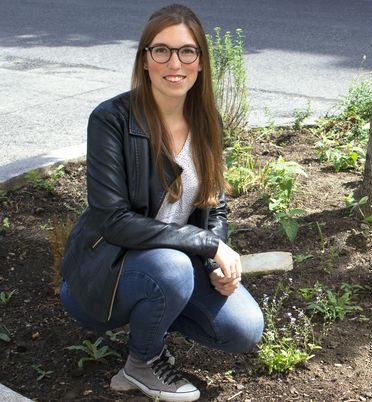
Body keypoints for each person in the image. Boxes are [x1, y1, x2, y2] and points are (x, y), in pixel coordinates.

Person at [59, 4, 264, 401]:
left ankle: (155, 314)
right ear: (145, 60)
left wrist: (214, 265)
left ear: (201, 62)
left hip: (170, 268)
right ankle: (142, 363)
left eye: (187, 51)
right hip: (103, 275)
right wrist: (208, 246)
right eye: (162, 50)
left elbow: (214, 207)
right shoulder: (111, 119)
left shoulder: (208, 122)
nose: (175, 62)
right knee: (171, 267)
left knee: (245, 327)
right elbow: (114, 220)